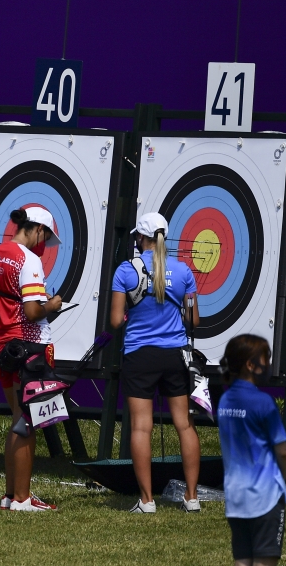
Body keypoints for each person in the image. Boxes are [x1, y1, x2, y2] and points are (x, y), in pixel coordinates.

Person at [109, 212, 201, 513]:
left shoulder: (126, 270)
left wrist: (129, 314)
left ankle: (147, 501)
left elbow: (114, 321)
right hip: (175, 355)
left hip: (140, 356)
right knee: (184, 425)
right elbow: (193, 321)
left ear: (141, 238)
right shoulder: (183, 270)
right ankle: (191, 497)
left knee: (140, 428)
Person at [0, 206, 63, 512]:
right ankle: (23, 498)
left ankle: (10, 494)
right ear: (38, 230)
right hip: (29, 344)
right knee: (27, 421)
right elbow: (31, 312)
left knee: (18, 416)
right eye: (46, 237)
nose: (44, 245)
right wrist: (51, 304)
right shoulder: (29, 260)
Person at [218, 334, 286, 566]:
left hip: (235, 496)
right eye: (265, 358)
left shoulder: (225, 400)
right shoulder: (264, 403)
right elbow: (283, 452)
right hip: (265, 496)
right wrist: (281, 479)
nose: (268, 364)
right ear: (250, 365)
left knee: (242, 561)